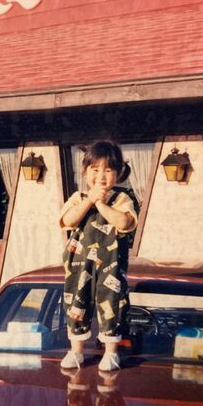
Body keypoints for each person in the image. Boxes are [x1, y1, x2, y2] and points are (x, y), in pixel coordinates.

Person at [59, 140, 137, 371]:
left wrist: (101, 204)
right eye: (95, 169)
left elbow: (124, 222)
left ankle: (111, 353)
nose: (101, 176)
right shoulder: (77, 197)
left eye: (108, 170)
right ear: (85, 172)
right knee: (76, 302)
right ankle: (76, 351)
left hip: (110, 266)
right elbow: (68, 220)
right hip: (79, 264)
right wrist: (89, 200)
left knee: (112, 302)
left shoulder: (122, 199)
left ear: (119, 174)